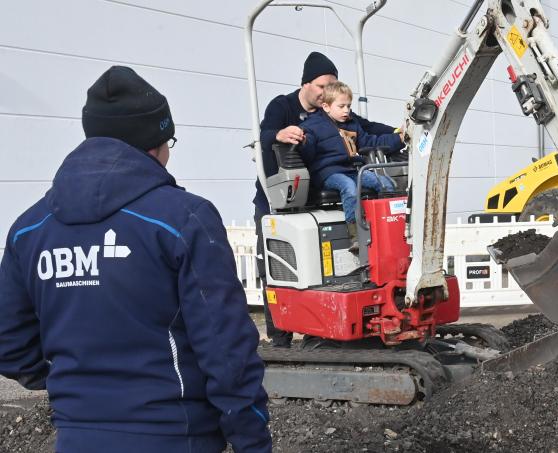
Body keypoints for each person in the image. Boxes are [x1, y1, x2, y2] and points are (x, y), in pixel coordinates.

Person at [0, 66, 271, 452]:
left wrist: (74, 387)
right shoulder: (182, 219)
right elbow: (226, 351)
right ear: (154, 144)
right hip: (174, 435)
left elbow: (10, 345)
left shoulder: (29, 230)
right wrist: (252, 440)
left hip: (77, 437)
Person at [254, 52, 395, 347]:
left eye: (332, 86)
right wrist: (280, 134)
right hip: (283, 195)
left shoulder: (338, 115)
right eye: (321, 86)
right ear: (305, 84)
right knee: (275, 266)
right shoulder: (283, 107)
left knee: (329, 267)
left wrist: (400, 131)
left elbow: (368, 129)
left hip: (324, 194)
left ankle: (321, 330)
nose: (325, 92)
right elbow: (265, 135)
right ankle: (280, 340)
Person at [299, 81, 402, 242]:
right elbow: (307, 150)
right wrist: (304, 142)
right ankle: (355, 235)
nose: (346, 110)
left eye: (348, 106)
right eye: (341, 106)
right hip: (329, 172)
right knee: (349, 188)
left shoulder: (352, 124)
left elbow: (370, 142)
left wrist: (399, 138)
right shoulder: (311, 126)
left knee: (385, 183)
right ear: (326, 106)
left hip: (353, 170)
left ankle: (387, 228)